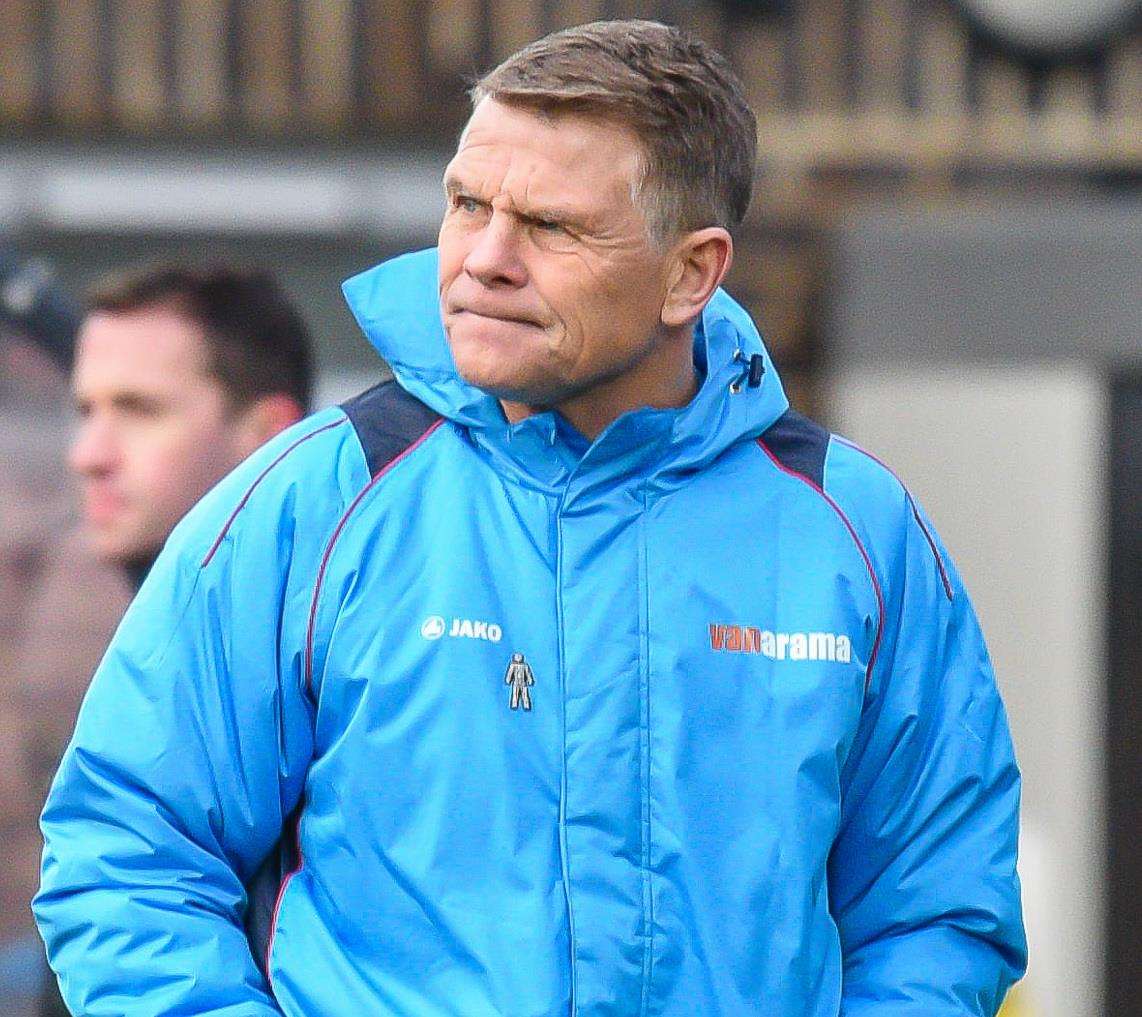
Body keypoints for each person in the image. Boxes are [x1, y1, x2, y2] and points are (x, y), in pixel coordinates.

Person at [35, 20, 1026, 1016]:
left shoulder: (853, 530)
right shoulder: (313, 500)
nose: (484, 260)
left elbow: (934, 912)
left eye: (550, 226)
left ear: (690, 273)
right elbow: (129, 856)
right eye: (466, 205)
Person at [17, 265, 311, 1016]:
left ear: (269, 436)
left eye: (139, 410)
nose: (90, 452)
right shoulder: (145, 640)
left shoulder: (331, 670)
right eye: (84, 409)